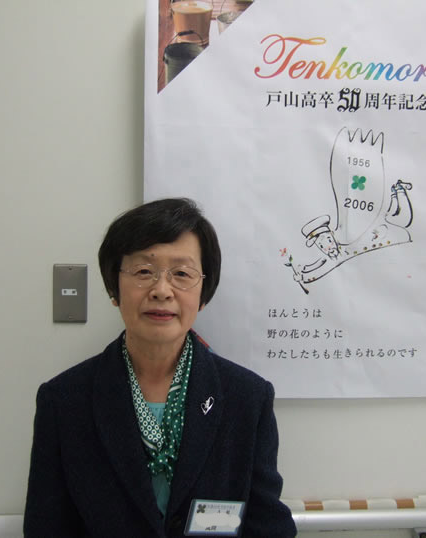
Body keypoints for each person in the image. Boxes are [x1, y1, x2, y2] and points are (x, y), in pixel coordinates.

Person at [24, 198, 296, 537]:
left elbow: (267, 526)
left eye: (181, 274)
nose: (162, 290)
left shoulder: (247, 398)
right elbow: (47, 527)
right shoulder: (64, 401)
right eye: (143, 272)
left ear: (203, 292)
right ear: (113, 287)